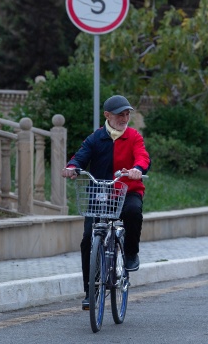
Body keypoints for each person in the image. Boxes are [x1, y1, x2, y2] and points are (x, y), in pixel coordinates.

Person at [61, 95, 151, 310]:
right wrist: (72, 168)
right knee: (87, 239)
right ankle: (89, 292)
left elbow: (143, 156)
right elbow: (80, 157)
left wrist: (138, 169)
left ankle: (130, 253)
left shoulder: (133, 137)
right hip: (99, 194)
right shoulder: (96, 138)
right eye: (120, 114)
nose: (125, 118)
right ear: (107, 115)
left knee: (133, 212)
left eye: (127, 114)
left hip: (126, 191)